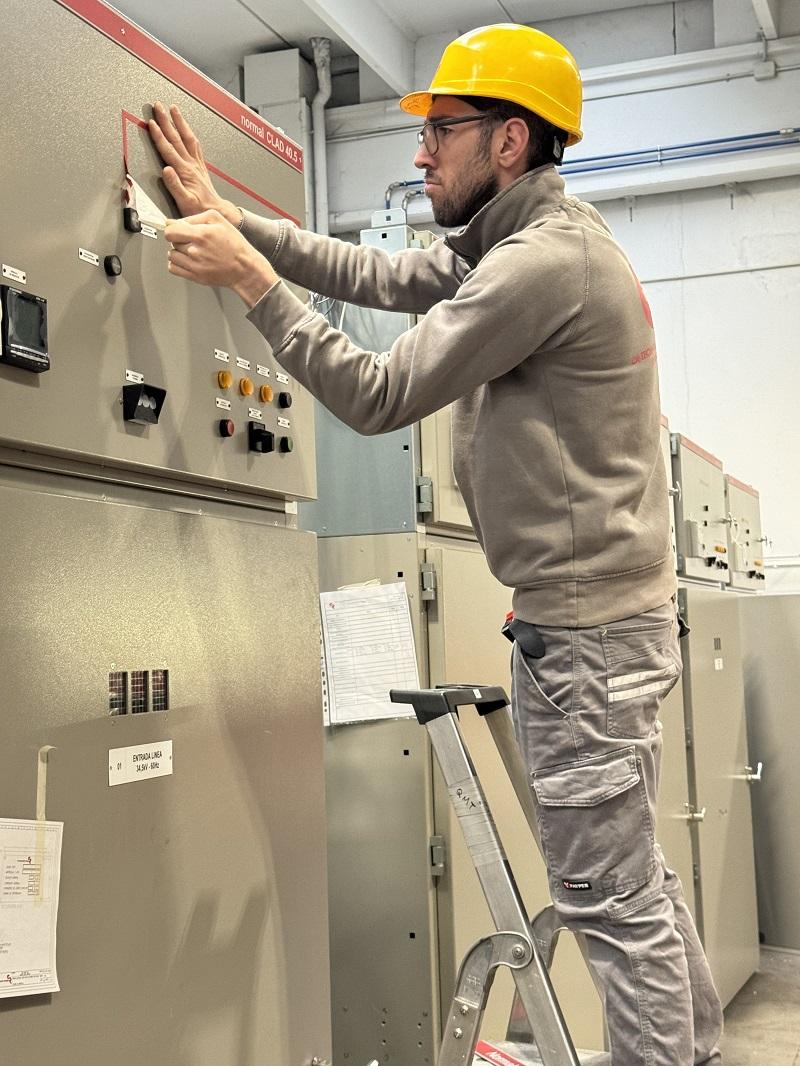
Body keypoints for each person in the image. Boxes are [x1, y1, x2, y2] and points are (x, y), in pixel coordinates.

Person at [149, 23, 723, 1065]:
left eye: (440, 131)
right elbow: (380, 279)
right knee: (633, 888)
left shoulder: (538, 264)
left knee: (607, 902)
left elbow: (378, 392)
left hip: (586, 645)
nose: (419, 152)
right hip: (601, 630)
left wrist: (246, 284)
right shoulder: (519, 241)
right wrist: (239, 223)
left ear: (508, 142)